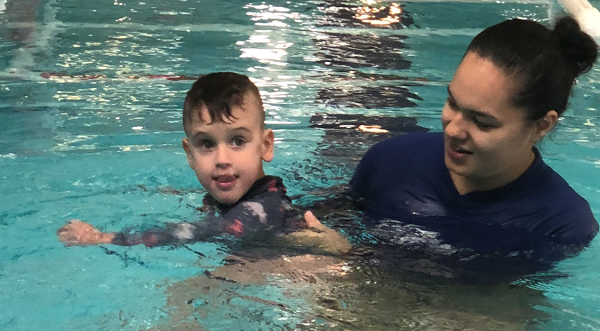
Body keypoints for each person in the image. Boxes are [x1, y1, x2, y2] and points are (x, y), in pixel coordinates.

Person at [350, 17, 599, 278]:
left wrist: (353, 258)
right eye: (452, 104)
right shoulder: (390, 162)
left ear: (541, 125)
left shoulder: (560, 225)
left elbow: (498, 309)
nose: (453, 129)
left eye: (482, 122)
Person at [57, 72, 349, 253]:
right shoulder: (246, 197)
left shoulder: (261, 208)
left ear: (266, 145)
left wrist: (103, 238)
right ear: (189, 154)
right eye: (207, 144)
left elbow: (193, 233)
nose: (222, 160)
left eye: (237, 141)